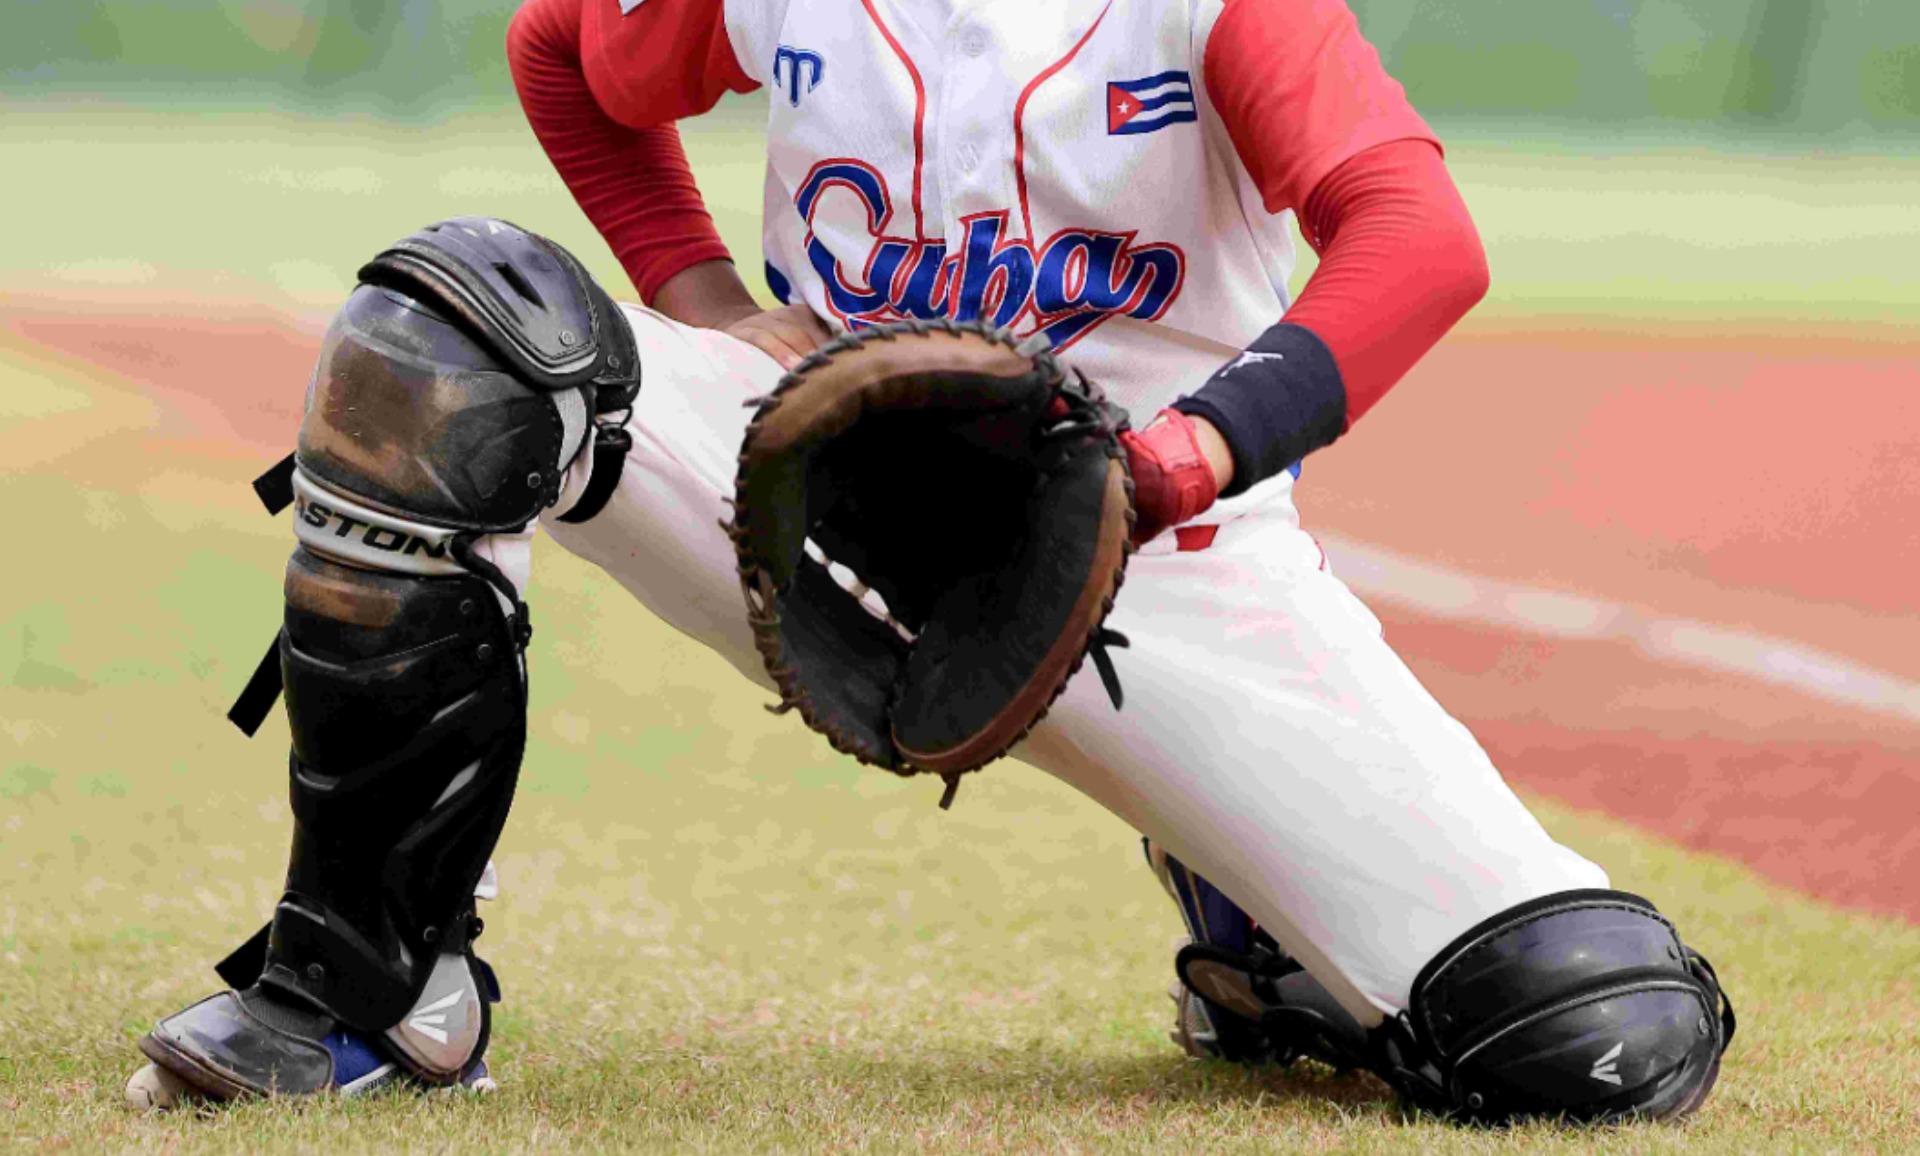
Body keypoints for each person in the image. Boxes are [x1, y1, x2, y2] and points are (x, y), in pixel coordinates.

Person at [127, 0, 1732, 1122]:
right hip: (802, 489)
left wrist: (1175, 463)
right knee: (451, 342)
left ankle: (1262, 942)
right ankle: (371, 986)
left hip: (1152, 558)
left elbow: (1416, 237)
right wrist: (692, 299)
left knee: (1582, 1027)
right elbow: (564, 48)